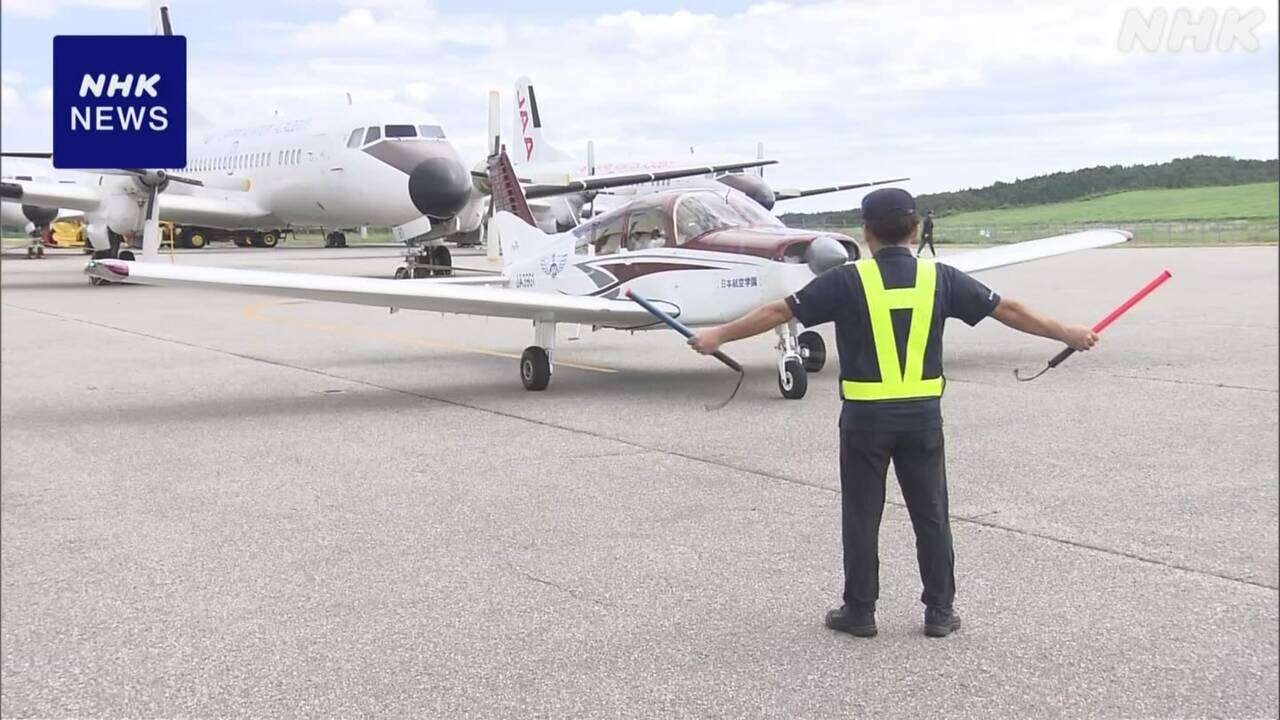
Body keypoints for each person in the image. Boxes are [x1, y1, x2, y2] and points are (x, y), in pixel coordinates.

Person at [688, 188, 1098, 638]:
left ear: (866, 232)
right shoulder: (940, 277)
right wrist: (1068, 332)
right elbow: (1008, 310)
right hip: (923, 417)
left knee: (862, 516)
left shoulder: (847, 280)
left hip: (865, 419)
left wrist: (719, 336)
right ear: (916, 228)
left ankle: (860, 611)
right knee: (932, 514)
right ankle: (940, 612)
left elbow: (776, 311)